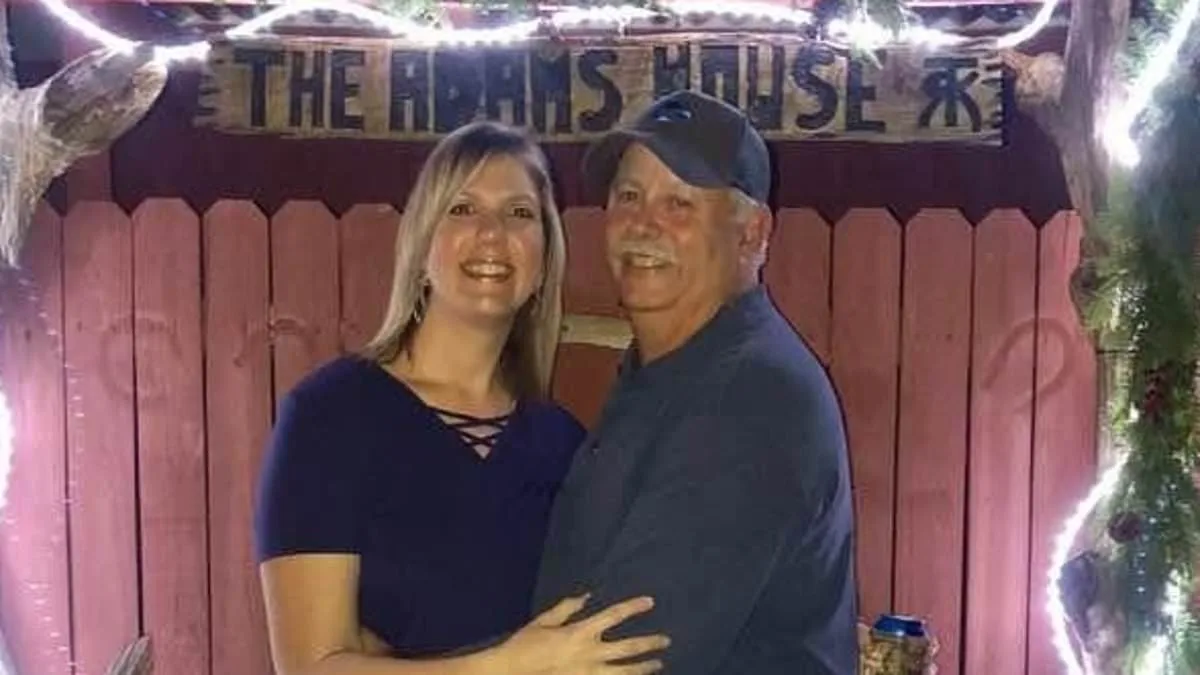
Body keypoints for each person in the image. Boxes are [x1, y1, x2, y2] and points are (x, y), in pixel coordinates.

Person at [254, 121, 670, 675]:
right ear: (421, 245)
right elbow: (309, 669)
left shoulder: (561, 444)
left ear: (545, 259)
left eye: (519, 213)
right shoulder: (330, 418)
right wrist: (504, 666)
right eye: (463, 208)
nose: (492, 233)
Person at [532, 90, 859, 673]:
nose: (642, 224)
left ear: (751, 233)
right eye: (628, 196)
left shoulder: (749, 401)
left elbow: (622, 656)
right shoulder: (676, 369)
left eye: (679, 203)